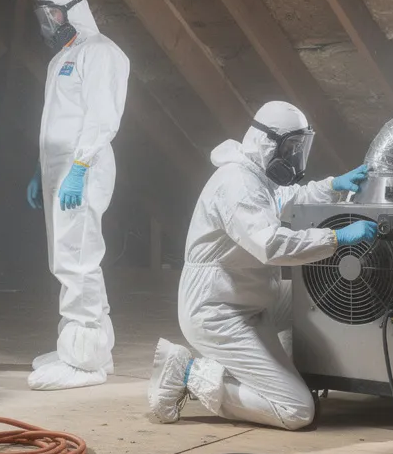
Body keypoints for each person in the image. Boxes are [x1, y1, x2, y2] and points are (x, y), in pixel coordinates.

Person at [146, 101, 376, 430]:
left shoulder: (256, 176)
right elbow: (271, 244)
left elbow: (286, 199)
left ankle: (271, 367)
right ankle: (187, 374)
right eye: (292, 148)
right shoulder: (236, 185)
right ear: (268, 142)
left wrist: (332, 186)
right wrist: (335, 238)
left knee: (317, 295)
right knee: (296, 410)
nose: (296, 159)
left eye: (301, 148)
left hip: (251, 297)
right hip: (218, 312)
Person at [24, 0, 130, 391]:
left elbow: (103, 116)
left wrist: (80, 166)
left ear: (72, 10)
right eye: (43, 15)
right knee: (64, 256)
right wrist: (40, 168)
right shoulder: (63, 57)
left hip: (82, 167)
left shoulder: (102, 52)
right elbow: (59, 118)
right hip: (59, 167)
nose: (47, 22)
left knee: (78, 258)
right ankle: (87, 345)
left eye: (52, 13)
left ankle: (84, 362)